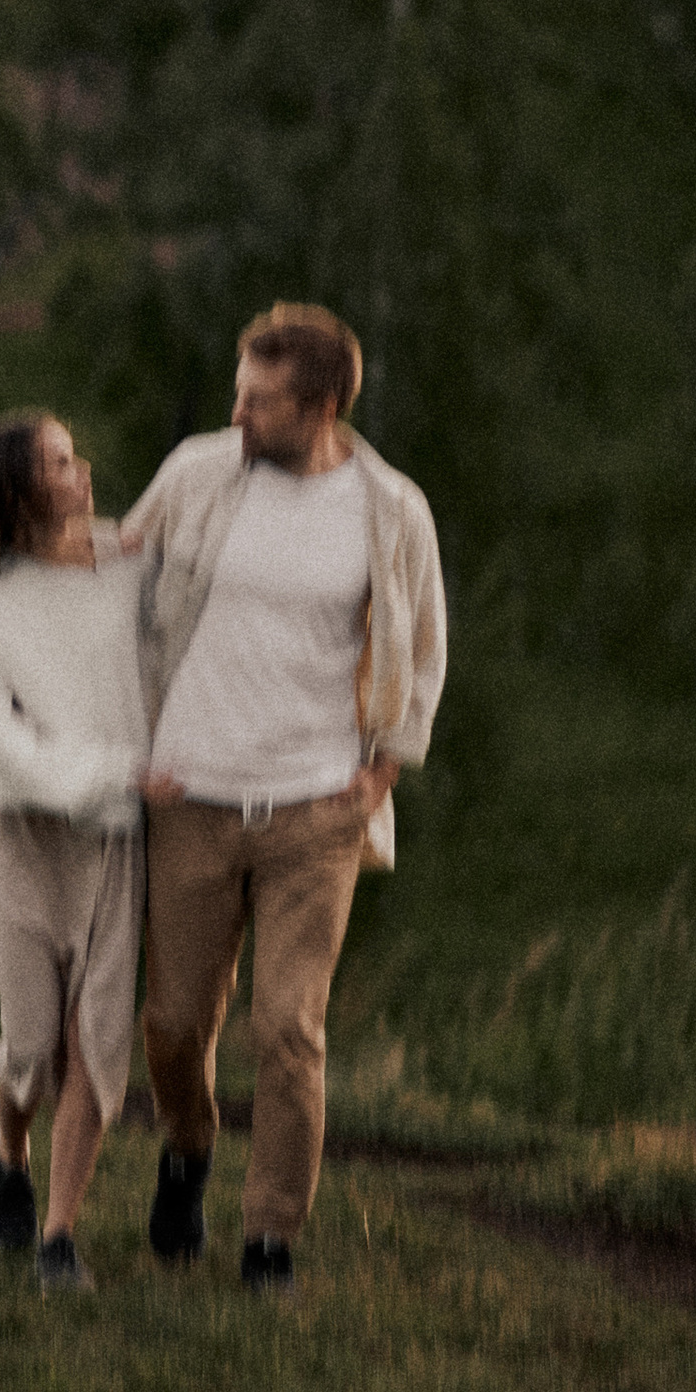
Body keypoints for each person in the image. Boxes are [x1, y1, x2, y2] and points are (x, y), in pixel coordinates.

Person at [122, 301, 445, 1293]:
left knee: (289, 1027)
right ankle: (188, 1148)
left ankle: (269, 1238)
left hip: (315, 806)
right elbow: (116, 575)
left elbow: (422, 647)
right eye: (237, 393)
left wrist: (380, 772)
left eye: (258, 401)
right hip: (192, 792)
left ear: (322, 405)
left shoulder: (390, 510)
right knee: (175, 1023)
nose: (238, 414)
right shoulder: (196, 472)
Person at [0, 410, 148, 1292]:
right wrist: (123, 769)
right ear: (23, 492)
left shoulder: (130, 558)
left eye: (74, 454)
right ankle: (9, 1148)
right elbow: (1, 746)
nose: (85, 469)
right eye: (63, 462)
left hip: (115, 836)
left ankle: (59, 1236)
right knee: (29, 1037)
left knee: (95, 1033)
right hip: (22, 833)